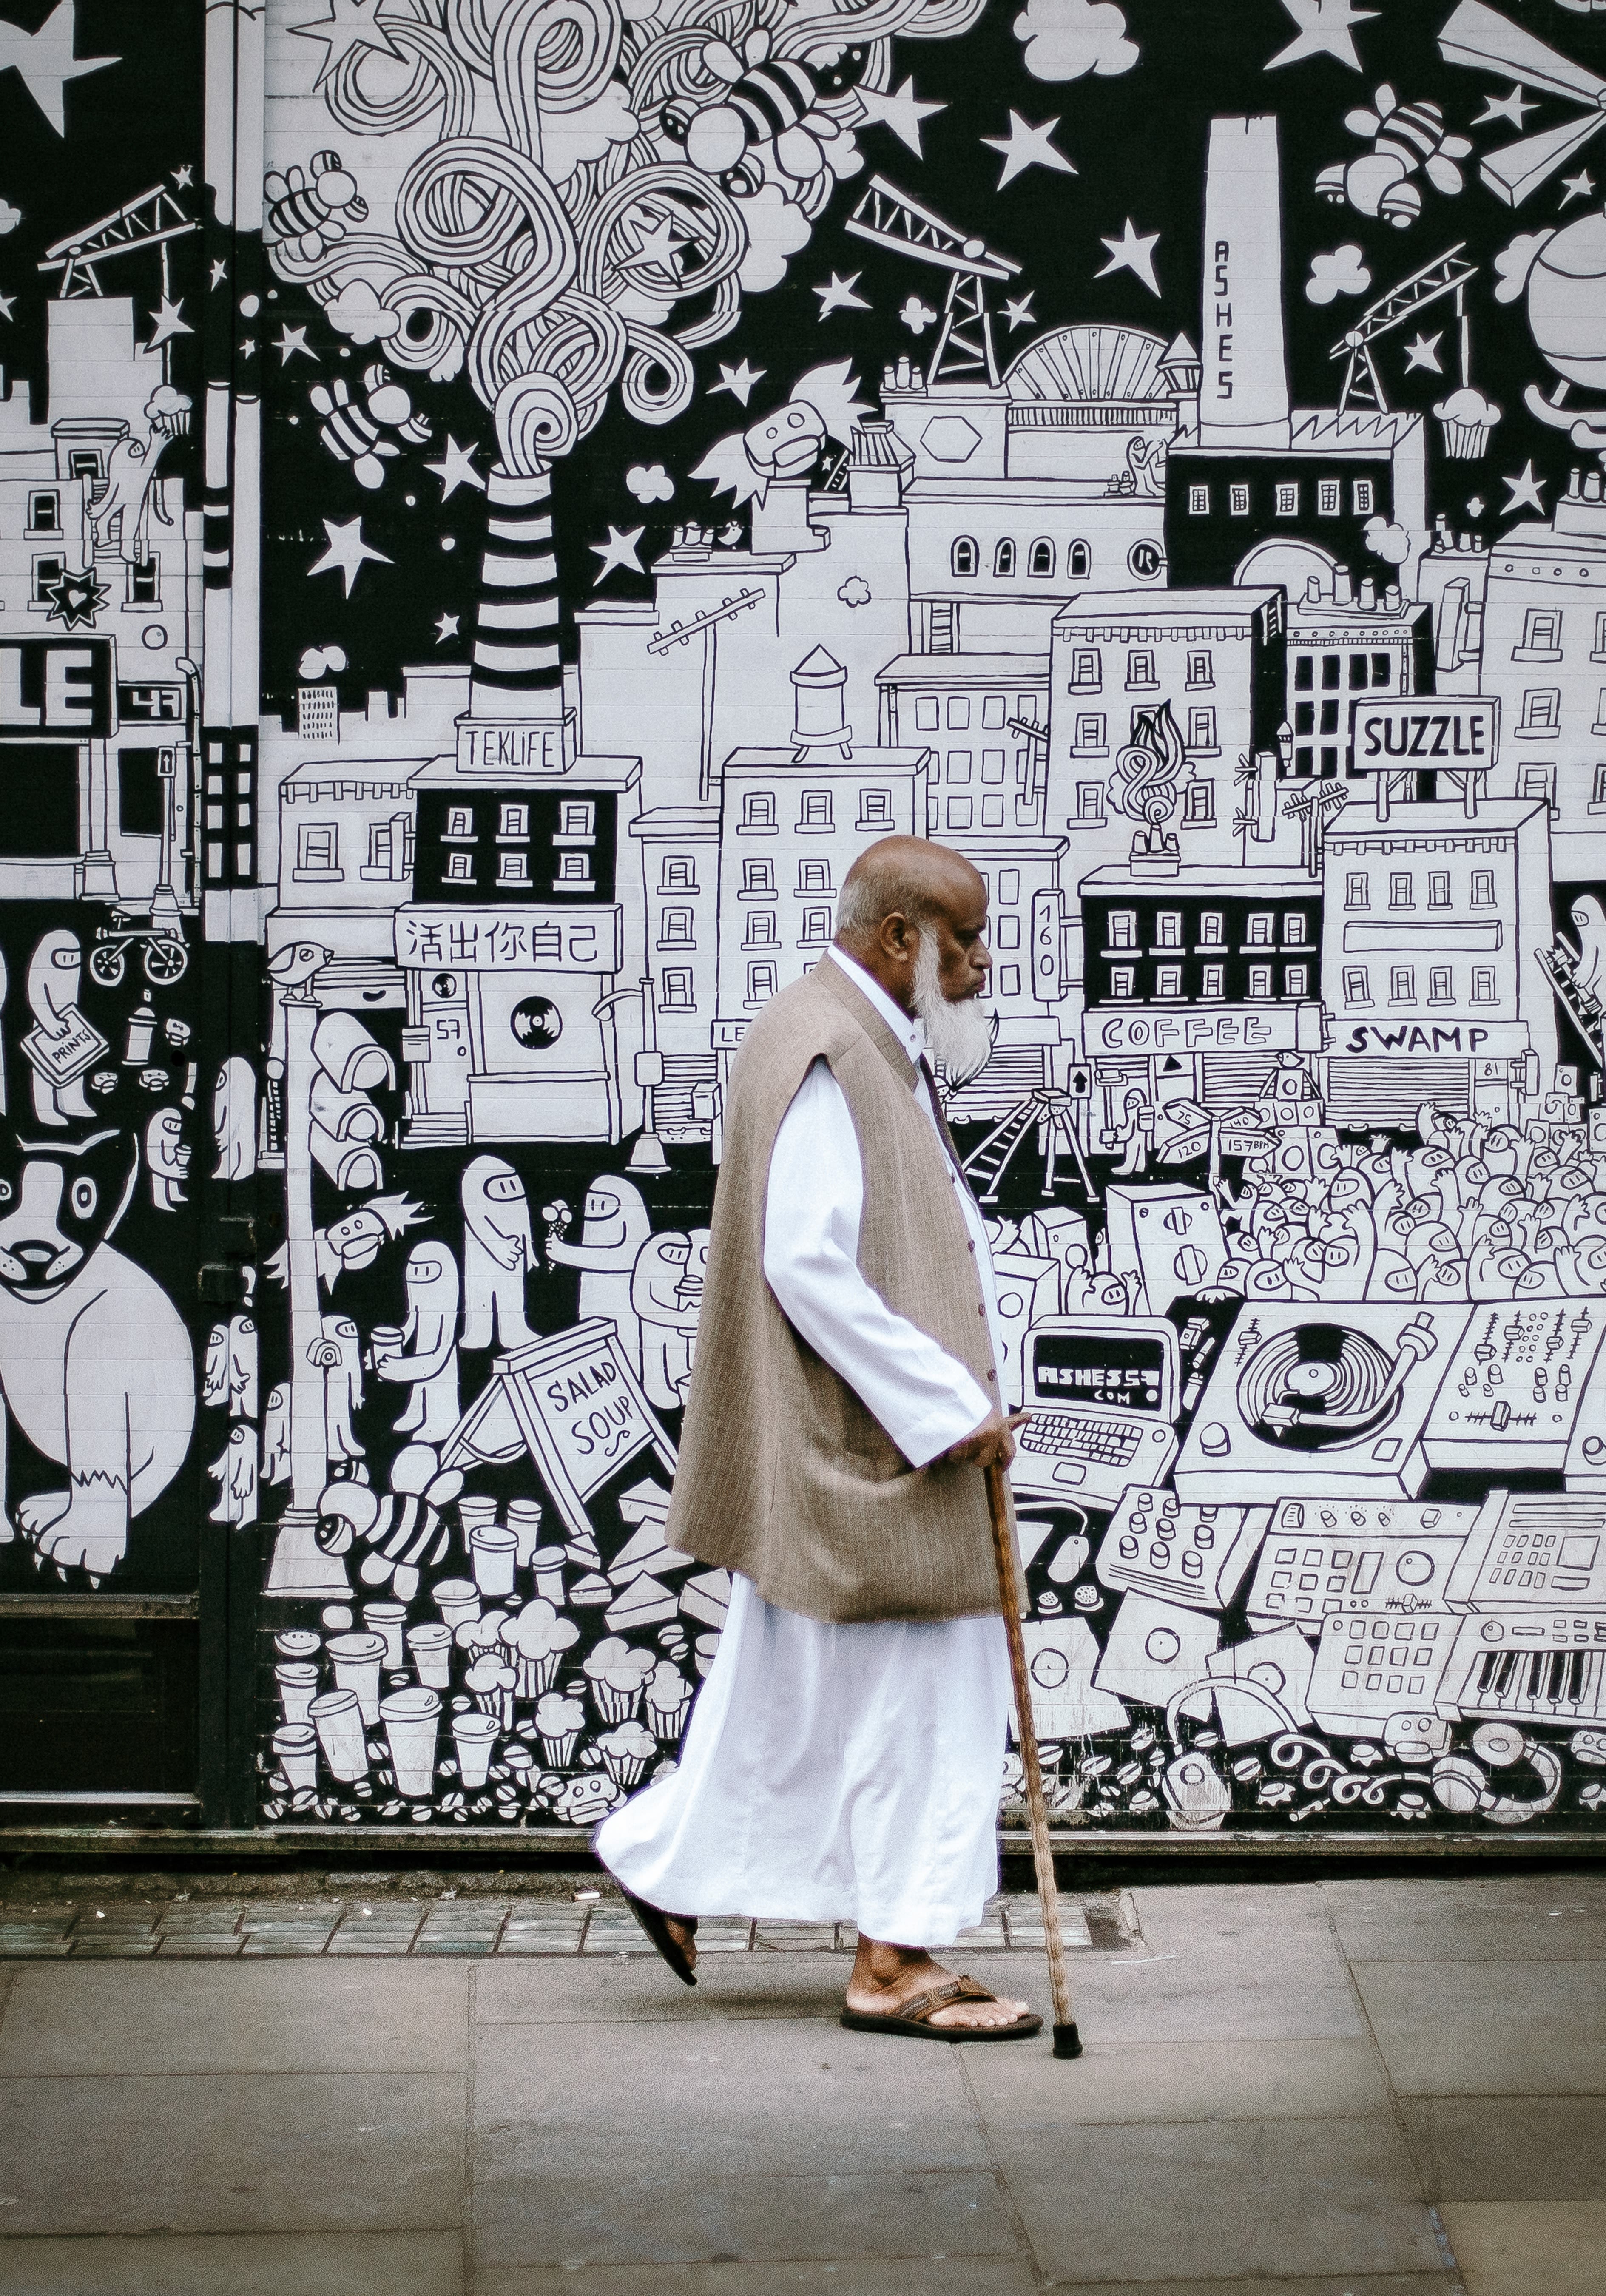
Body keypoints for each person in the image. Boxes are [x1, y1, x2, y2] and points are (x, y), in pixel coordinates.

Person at [596, 836, 1040, 2040]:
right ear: (900, 938)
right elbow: (805, 1260)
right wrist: (947, 1411)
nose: (983, 964)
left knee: (784, 1682)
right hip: (881, 1460)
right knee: (927, 1700)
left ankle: (666, 1864)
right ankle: (891, 1965)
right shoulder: (835, 1049)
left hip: (850, 1453)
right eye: (967, 940)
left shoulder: (837, 1034)